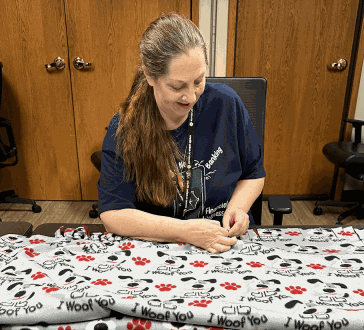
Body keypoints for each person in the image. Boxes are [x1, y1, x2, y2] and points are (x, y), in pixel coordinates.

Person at [98, 12, 265, 254]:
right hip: (161, 249)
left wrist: (238, 209)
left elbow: (253, 172)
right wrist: (185, 231)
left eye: (198, 81)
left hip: (226, 244)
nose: (191, 96)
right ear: (149, 76)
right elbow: (113, 214)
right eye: (177, 87)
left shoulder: (227, 104)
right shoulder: (125, 128)